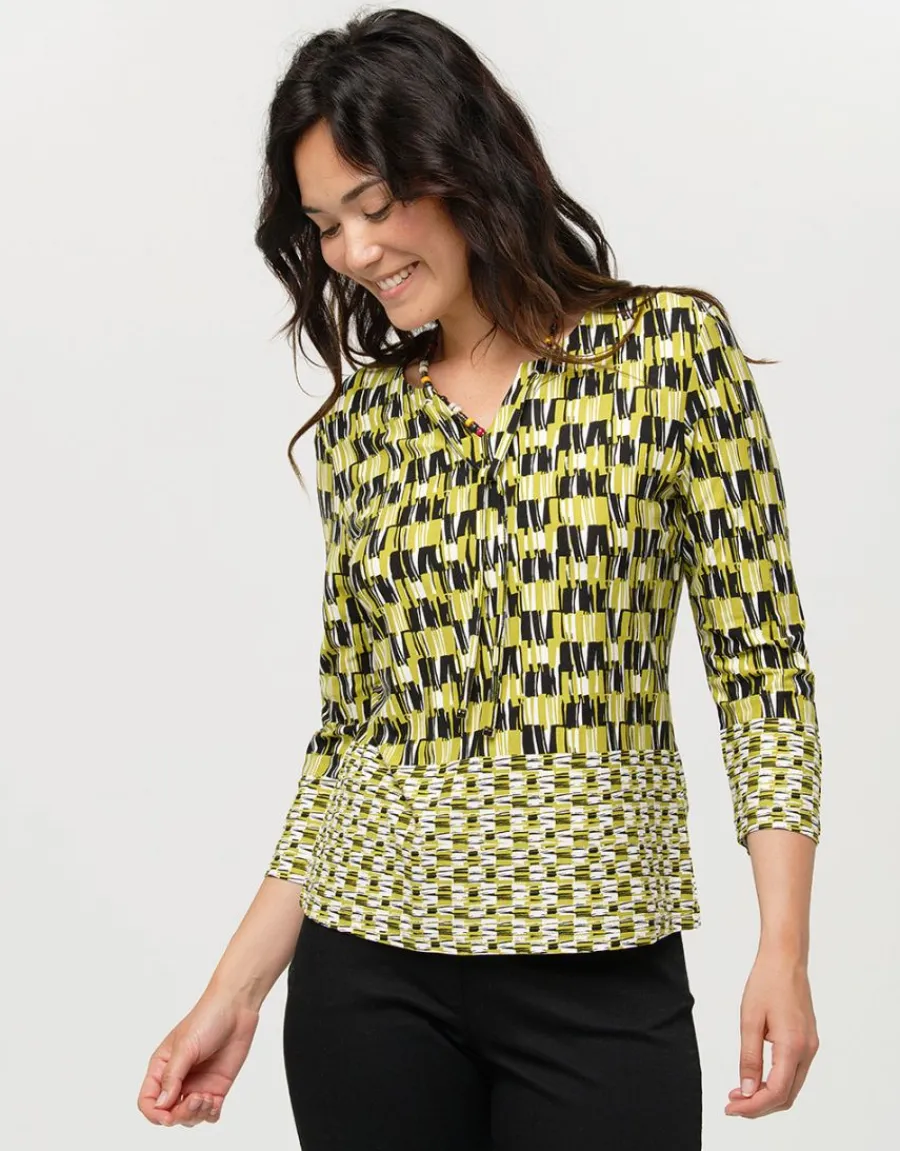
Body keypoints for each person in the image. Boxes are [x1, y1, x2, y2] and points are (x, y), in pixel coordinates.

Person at [136, 8, 822, 1148]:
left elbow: (764, 677)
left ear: (460, 167)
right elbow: (350, 733)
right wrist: (237, 989)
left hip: (599, 975)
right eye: (325, 225)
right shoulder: (363, 427)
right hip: (367, 980)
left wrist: (783, 951)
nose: (353, 253)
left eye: (372, 205)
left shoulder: (669, 355)